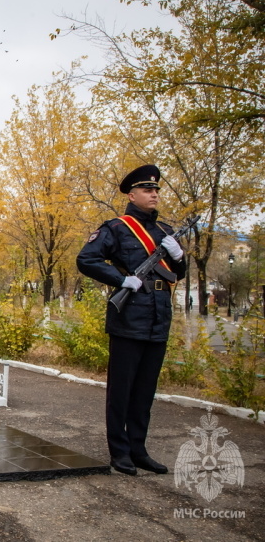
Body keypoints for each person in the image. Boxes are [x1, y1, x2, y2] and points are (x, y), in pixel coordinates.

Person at [76, 164, 186, 477]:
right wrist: (121, 279)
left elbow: (179, 274)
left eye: (156, 190)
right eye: (147, 190)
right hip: (129, 317)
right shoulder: (116, 228)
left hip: (158, 319)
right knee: (122, 391)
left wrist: (178, 257)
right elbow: (87, 259)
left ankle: (139, 450)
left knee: (144, 392)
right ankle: (120, 452)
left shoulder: (164, 231)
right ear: (132, 194)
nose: (154, 194)